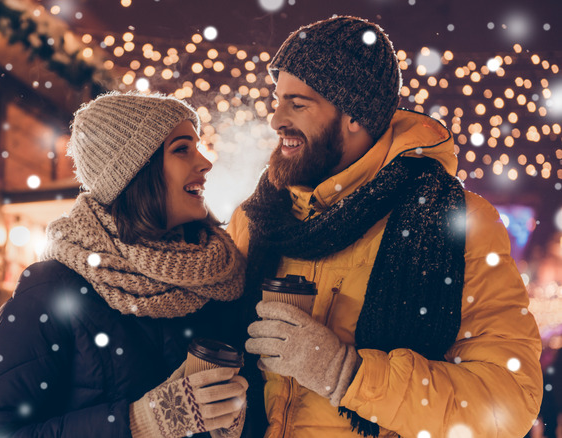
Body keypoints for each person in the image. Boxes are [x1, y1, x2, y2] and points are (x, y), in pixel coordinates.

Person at [227, 15, 544, 438]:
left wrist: (348, 374)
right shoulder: (257, 219)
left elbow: (509, 402)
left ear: (355, 114)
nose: (275, 119)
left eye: (297, 104)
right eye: (278, 98)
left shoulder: (454, 222)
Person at [0, 91, 249, 438]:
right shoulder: (50, 288)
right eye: (182, 149)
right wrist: (137, 424)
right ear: (134, 171)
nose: (205, 163)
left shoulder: (219, 278)